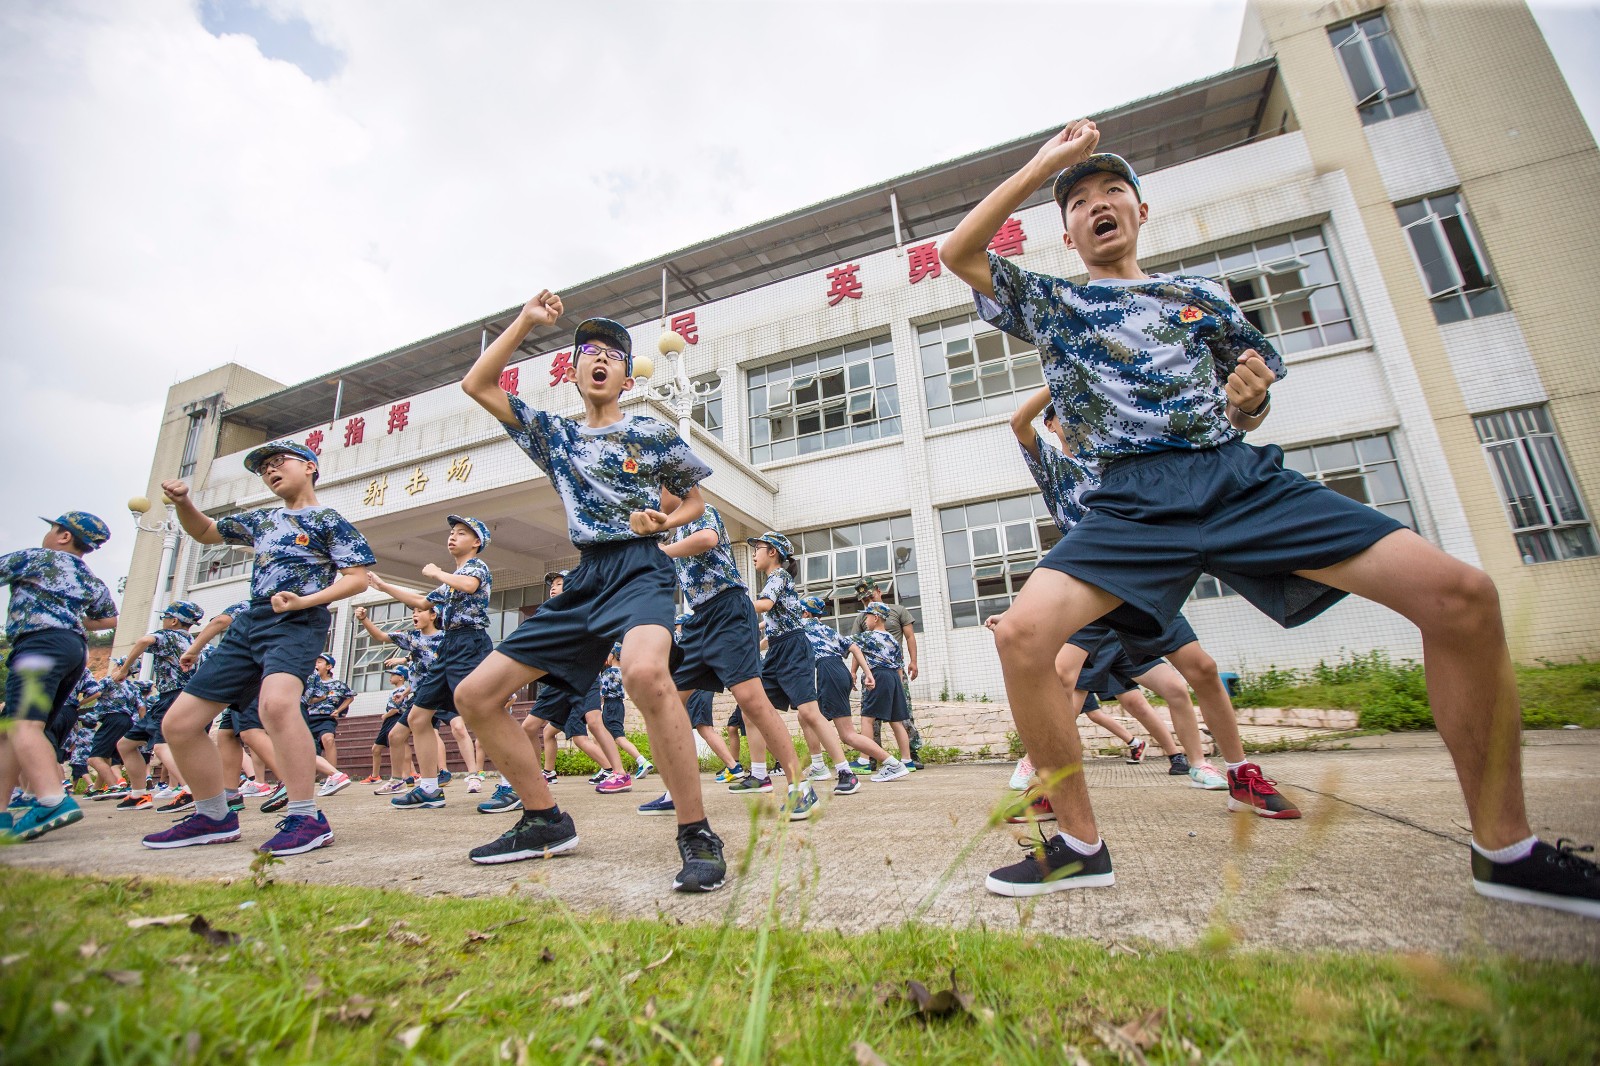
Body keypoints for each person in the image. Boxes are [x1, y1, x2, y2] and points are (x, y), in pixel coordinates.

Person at [943, 123, 1599, 916]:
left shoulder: (1202, 300)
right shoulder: (1056, 301)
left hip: (1235, 478)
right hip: (1129, 501)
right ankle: (1079, 846)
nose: (1097, 205)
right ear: (1069, 231)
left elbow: (1250, 394)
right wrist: (1044, 164)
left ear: (1142, 211)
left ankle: (1508, 849)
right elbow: (958, 251)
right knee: (1022, 637)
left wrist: (1249, 405)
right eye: (1079, 201)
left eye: (1113, 191)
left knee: (1461, 595)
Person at [457, 290, 729, 892]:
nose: (600, 359)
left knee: (643, 674)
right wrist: (525, 321)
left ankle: (696, 832)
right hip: (585, 580)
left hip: (641, 570)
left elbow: (695, 502)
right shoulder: (553, 435)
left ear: (628, 377)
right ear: (574, 372)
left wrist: (665, 522)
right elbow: (478, 384)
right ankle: (543, 819)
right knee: (475, 695)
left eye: (613, 354)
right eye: (589, 353)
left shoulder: (652, 434)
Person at [139, 440, 373, 855]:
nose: (270, 471)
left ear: (309, 467)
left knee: (277, 706)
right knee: (178, 724)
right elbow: (206, 532)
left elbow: (357, 579)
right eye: (264, 468)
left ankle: (306, 818)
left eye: (278, 462)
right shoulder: (262, 519)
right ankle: (213, 816)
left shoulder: (327, 520)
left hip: (298, 620)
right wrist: (183, 503)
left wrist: (304, 601)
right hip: (251, 621)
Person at [1005, 385, 1232, 792]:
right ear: (1053, 423)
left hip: (1135, 578)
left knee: (1190, 677)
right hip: (1087, 581)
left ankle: (1205, 763)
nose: (1076, 420)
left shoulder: (1113, 460)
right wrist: (1061, 378)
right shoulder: (1054, 464)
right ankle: (1037, 762)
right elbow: (1019, 423)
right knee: (1061, 675)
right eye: (1065, 413)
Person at [658, 499, 816, 818]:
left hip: (728, 609)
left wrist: (662, 551)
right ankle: (675, 791)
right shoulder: (673, 534)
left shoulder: (700, 511)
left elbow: (708, 539)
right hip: (699, 619)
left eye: (657, 487)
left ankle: (801, 785)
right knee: (670, 701)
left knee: (751, 699)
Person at [0, 511, 118, 840]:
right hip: (72, 650)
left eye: (53, 528)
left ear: (64, 535)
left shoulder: (36, 558)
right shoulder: (88, 576)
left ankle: (52, 800)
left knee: (24, 726)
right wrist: (71, 616)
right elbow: (109, 618)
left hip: (39, 645)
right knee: (12, 731)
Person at [368, 515, 496, 800]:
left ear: (476, 542)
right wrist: (383, 586)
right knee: (418, 716)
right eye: (451, 532)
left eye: (461, 533)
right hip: (448, 645)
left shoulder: (476, 567)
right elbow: (422, 603)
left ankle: (513, 784)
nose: (452, 536)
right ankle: (428, 787)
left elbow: (470, 586)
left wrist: (438, 572)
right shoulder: (449, 582)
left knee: (483, 713)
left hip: (470, 642)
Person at [799, 595, 906, 784]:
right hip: (839, 672)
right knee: (806, 716)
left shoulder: (805, 624)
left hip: (829, 672)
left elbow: (773, 629)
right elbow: (854, 647)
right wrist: (867, 673)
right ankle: (818, 765)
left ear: (806, 613)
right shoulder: (827, 630)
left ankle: (892, 763)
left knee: (846, 734)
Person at [112, 600, 204, 812]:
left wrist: (124, 670)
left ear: (173, 621)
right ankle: (138, 794)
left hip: (173, 696)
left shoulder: (170, 636)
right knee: (126, 744)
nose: (162, 621)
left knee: (162, 745)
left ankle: (191, 791)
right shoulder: (194, 642)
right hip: (172, 698)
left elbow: (144, 640)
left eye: (165, 617)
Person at [846, 580, 923, 771]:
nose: (867, 603)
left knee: (871, 716)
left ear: (879, 592)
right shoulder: (877, 630)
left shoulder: (898, 611)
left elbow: (852, 646)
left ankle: (866, 759)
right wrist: (854, 671)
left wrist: (913, 661)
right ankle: (897, 759)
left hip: (879, 674)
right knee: (896, 717)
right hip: (891, 673)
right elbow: (859, 652)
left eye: (870, 598)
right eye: (864, 600)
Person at [86, 657, 142, 798]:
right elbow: (142, 708)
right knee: (107, 757)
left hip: (112, 719)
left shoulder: (109, 680)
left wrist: (79, 704)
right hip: (128, 721)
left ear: (120, 666)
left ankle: (114, 786)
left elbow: (96, 693)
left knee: (94, 758)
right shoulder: (133, 687)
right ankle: (97, 788)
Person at [367, 664, 415, 785]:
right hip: (391, 719)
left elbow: (396, 709)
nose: (391, 677)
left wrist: (385, 715)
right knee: (377, 748)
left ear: (401, 677)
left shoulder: (401, 690)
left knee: (400, 743)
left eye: (394, 674)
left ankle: (406, 774)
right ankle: (377, 775)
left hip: (395, 718)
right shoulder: (397, 690)